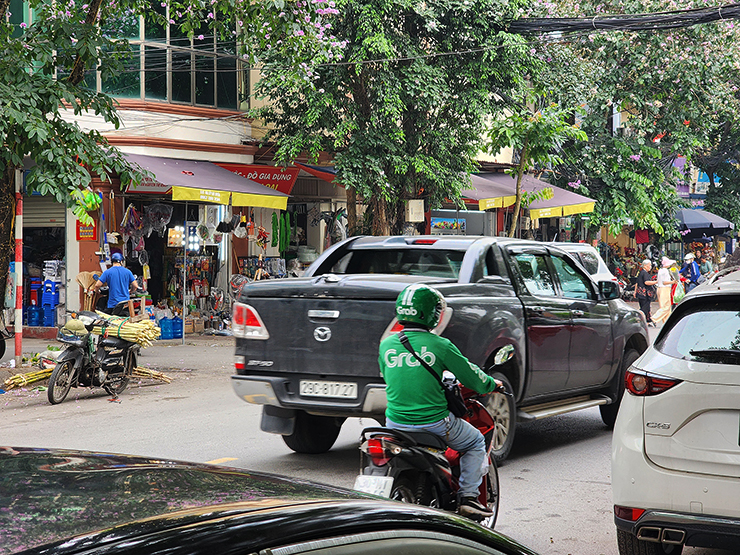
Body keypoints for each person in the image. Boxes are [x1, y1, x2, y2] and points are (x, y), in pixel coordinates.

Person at [378, 283, 503, 519]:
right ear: (432, 313)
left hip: (394, 425)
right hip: (434, 423)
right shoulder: (440, 345)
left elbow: (388, 377)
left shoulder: (387, 345)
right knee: (475, 441)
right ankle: (468, 498)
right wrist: (492, 384)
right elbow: (473, 378)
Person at [652, 257, 675, 326]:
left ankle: (667, 323)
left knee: (664, 306)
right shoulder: (665, 271)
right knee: (666, 307)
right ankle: (654, 318)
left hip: (659, 288)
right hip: (664, 289)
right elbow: (665, 282)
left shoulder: (660, 270)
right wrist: (673, 281)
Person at [634, 259, 657, 327]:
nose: (650, 267)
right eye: (649, 265)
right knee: (645, 307)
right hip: (644, 294)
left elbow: (637, 283)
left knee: (646, 307)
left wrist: (635, 292)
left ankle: (647, 321)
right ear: (645, 266)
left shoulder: (641, 272)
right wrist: (656, 282)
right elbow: (646, 282)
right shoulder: (645, 273)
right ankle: (638, 319)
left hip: (640, 293)